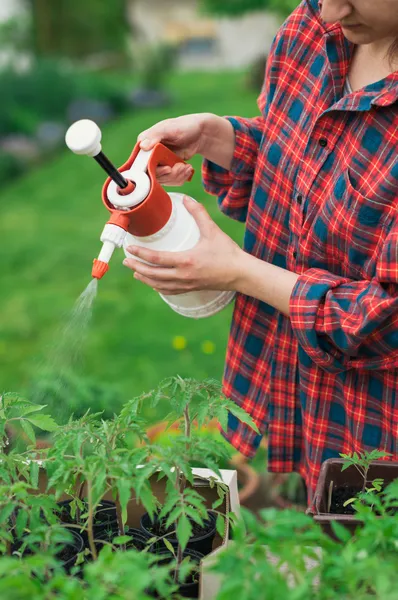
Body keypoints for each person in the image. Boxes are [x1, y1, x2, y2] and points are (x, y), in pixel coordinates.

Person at [123, 0, 398, 507]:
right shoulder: (309, 29)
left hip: (368, 437)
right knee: (291, 541)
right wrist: (220, 137)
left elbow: (384, 319)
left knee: (360, 563)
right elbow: (298, 170)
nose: (332, 11)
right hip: (281, 393)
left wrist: (239, 273)